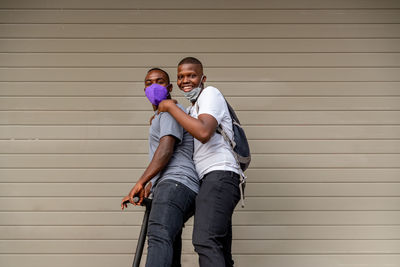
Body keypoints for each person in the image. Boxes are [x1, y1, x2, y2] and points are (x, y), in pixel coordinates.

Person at [158, 57, 241, 267]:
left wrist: (169, 106)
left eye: (191, 75)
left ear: (203, 78)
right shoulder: (194, 109)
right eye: (181, 77)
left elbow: (204, 132)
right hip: (211, 178)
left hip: (220, 174)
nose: (186, 80)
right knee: (219, 247)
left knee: (205, 241)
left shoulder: (210, 93)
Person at [121, 68, 199, 267]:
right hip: (178, 186)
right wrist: (151, 185)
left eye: (160, 81)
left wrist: (141, 182)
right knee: (168, 246)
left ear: (170, 87)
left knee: (158, 238)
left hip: (175, 184)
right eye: (149, 83)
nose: (153, 86)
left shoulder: (170, 112)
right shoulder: (162, 114)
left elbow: (166, 150)